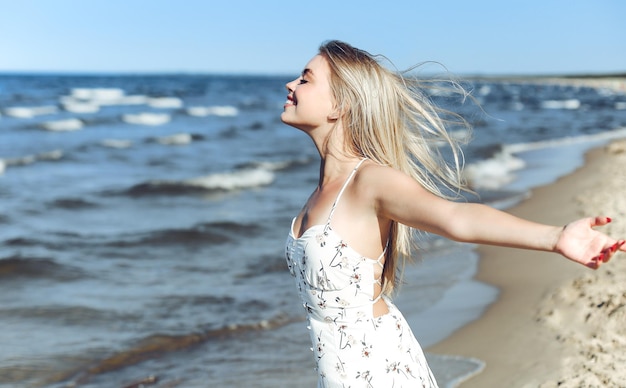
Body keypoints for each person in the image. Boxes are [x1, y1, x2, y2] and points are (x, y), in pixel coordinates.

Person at [281, 40, 625, 388]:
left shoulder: (370, 182)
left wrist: (555, 237)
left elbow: (455, 218)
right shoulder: (319, 193)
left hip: (380, 372)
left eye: (305, 79)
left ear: (340, 104)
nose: (291, 85)